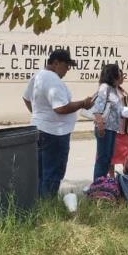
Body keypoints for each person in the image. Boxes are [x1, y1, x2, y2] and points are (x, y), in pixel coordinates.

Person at [23, 49, 95, 198]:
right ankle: (47, 207)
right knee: (52, 173)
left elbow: (26, 98)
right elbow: (60, 108)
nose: (67, 70)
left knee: (40, 173)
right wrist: (83, 103)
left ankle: (39, 206)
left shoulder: (38, 76)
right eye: (66, 66)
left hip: (40, 129)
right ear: (56, 63)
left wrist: (39, 115)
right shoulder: (52, 80)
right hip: (54, 134)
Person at [92, 64, 128, 181]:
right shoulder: (104, 87)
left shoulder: (114, 89)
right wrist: (100, 125)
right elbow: (97, 109)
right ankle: (98, 184)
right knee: (103, 158)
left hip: (112, 128)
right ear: (113, 74)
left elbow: (119, 110)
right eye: (118, 73)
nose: (120, 75)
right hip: (104, 128)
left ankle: (104, 183)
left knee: (108, 158)